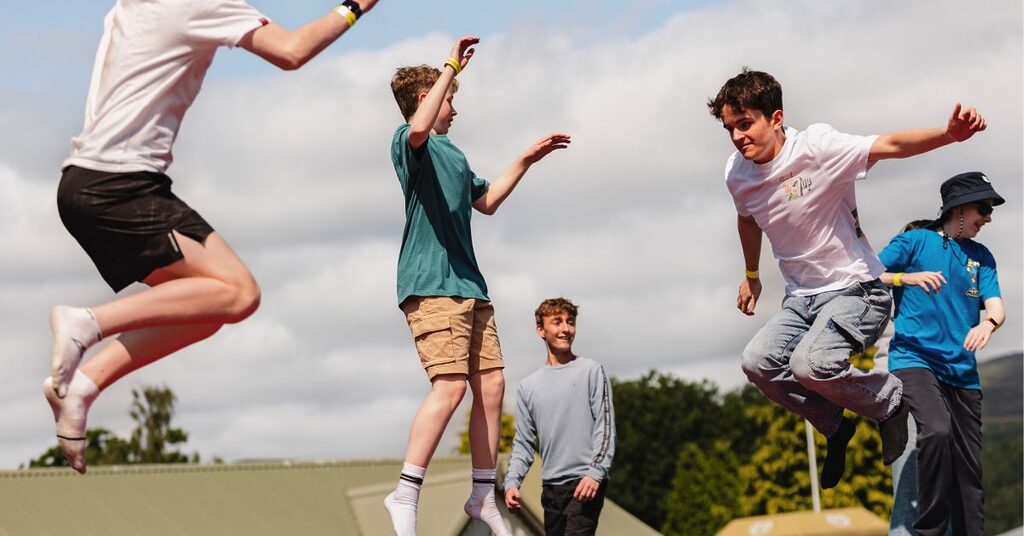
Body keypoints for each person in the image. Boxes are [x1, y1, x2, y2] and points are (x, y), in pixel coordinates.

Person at [45, 0, 382, 475]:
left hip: (86, 185)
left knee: (207, 309)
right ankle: (87, 322)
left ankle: (85, 385)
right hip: (120, 185)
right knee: (241, 293)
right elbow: (291, 50)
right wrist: (354, 7)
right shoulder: (199, 3)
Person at [706, 68, 987, 489]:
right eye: (730, 129)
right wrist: (751, 274)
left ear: (776, 118)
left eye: (745, 125)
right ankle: (835, 426)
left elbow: (889, 145)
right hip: (800, 300)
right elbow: (747, 219)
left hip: (858, 290)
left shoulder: (817, 146)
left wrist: (949, 135)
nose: (737, 137)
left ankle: (889, 403)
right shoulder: (737, 172)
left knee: (810, 364)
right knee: (757, 362)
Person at [384, 36, 571, 536]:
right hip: (431, 286)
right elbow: (419, 124)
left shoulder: (455, 155)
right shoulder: (409, 142)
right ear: (427, 100)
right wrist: (449, 65)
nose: (455, 109)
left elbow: (486, 202)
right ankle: (405, 492)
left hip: (470, 286)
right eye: (450, 98)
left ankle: (481, 494)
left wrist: (526, 160)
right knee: (447, 388)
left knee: (491, 386)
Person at [879, 172, 1005, 536]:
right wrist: (907, 278)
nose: (988, 218)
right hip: (914, 361)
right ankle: (931, 531)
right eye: (983, 208)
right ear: (959, 208)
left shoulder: (982, 257)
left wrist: (988, 325)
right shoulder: (915, 241)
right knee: (936, 430)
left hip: (962, 373)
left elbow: (996, 306)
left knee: (970, 474)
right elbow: (865, 273)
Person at [503, 298, 615, 536]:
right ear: (541, 330)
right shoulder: (528, 387)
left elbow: (605, 428)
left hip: (585, 482)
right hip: (551, 489)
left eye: (570, 322)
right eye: (557, 322)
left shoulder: (591, 371)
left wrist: (596, 473)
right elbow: (523, 442)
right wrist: (512, 482)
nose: (566, 329)